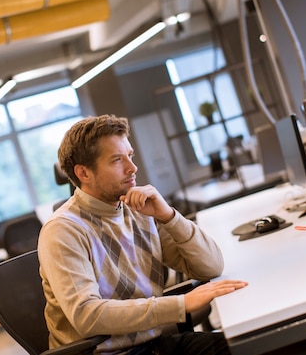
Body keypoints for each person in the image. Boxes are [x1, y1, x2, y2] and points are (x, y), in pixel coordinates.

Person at [38, 114, 248, 355]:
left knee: (249, 345)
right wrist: (181, 305)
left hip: (151, 346)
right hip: (106, 354)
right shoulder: (63, 230)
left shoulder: (137, 209)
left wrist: (169, 215)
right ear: (84, 173)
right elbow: (87, 316)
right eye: (117, 160)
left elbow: (211, 267)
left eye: (130, 156)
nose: (133, 168)